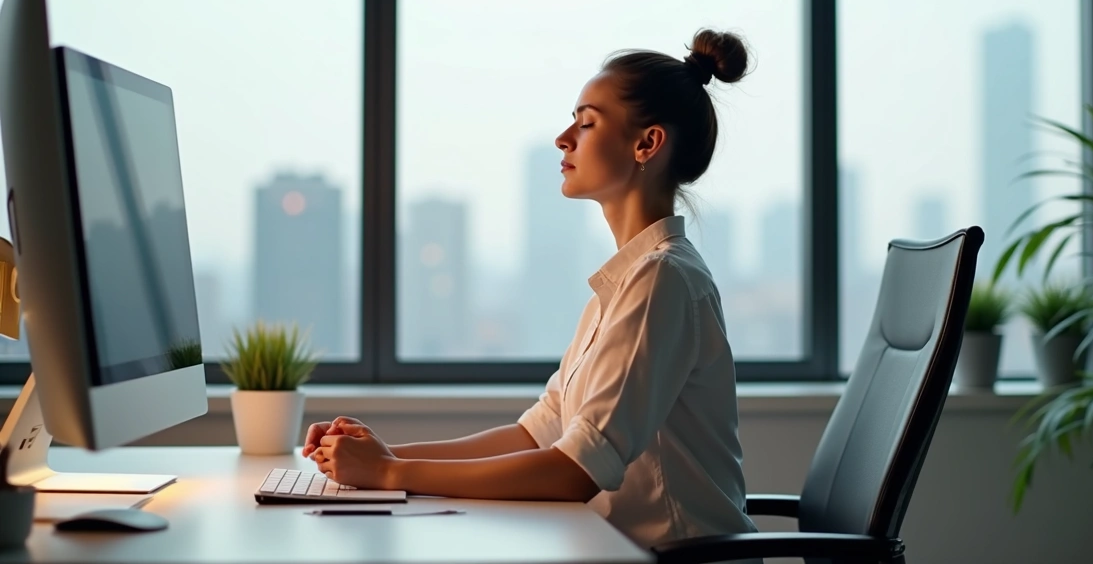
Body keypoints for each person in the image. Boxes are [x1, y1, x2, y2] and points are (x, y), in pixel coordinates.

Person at [303, 28, 759, 551]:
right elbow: (535, 435)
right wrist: (386, 457)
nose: (564, 138)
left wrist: (387, 475)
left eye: (587, 123)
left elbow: (574, 473)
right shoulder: (624, 284)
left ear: (647, 143)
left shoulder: (662, 281)